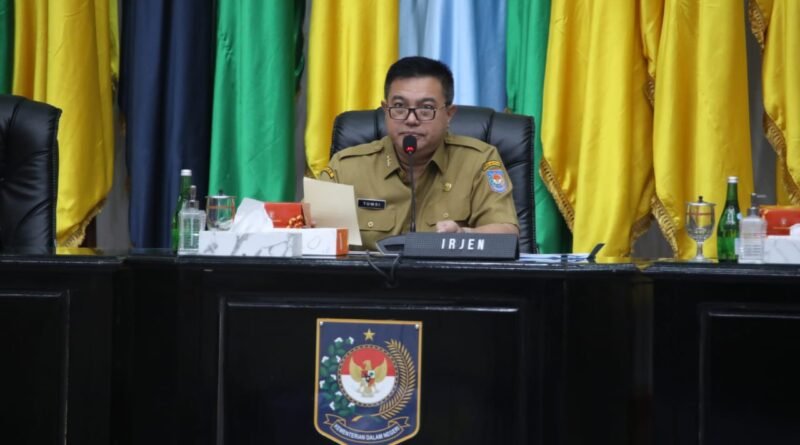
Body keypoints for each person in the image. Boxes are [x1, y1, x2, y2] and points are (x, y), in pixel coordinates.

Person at [320, 56, 519, 250]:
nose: (411, 119)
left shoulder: (478, 161)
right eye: (399, 107)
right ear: (385, 109)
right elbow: (311, 236)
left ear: (449, 114)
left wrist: (463, 236)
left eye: (426, 109)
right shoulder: (345, 168)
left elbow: (507, 236)